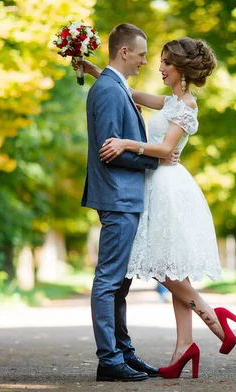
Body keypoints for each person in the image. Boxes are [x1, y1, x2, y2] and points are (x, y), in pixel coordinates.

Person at [80, 37, 236, 380]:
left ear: (181, 70)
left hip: (168, 188)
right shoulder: (171, 101)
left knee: (166, 270)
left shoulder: (186, 106)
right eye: (158, 61)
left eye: (166, 63)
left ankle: (214, 318)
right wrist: (100, 72)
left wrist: (127, 143)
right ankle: (184, 345)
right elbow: (131, 95)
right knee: (173, 267)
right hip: (154, 184)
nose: (159, 68)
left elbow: (166, 147)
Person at [80, 23, 179, 383]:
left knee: (119, 283)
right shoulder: (108, 90)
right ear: (124, 52)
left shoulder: (113, 85)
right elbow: (110, 150)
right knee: (108, 281)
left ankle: (124, 353)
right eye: (140, 54)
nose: (144, 60)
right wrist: (156, 159)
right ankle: (109, 359)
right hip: (118, 197)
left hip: (126, 197)